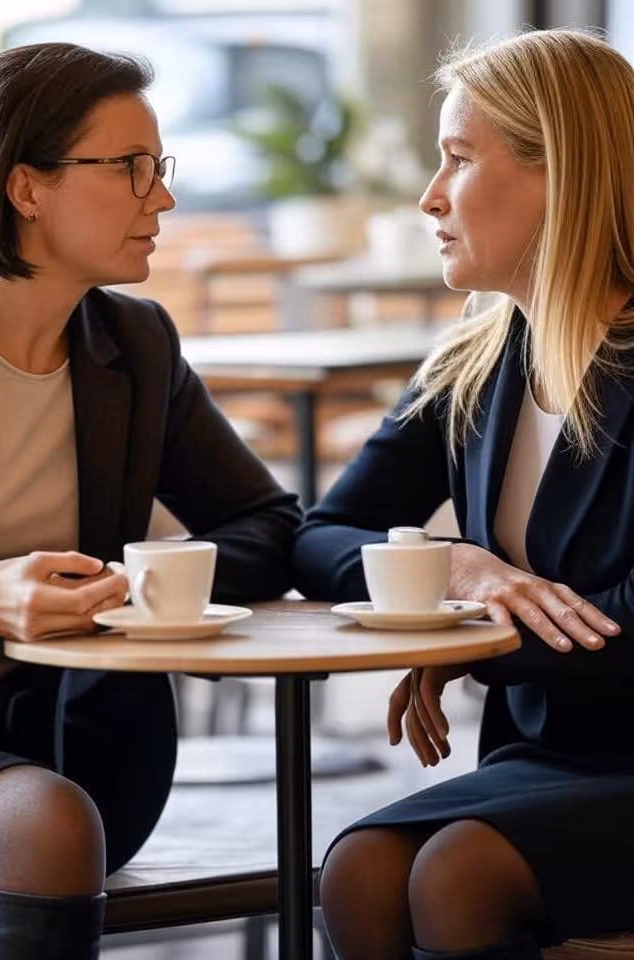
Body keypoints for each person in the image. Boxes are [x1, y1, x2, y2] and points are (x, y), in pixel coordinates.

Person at [0, 42, 301, 959]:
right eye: (129, 169)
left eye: (156, 169)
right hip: (8, 797)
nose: (159, 197)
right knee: (36, 835)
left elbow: (267, 525)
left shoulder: (134, 345)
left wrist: (126, 586)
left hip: (55, 759)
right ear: (26, 188)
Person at [292, 28, 634, 960]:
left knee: (456, 871)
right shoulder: (475, 365)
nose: (429, 197)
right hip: (542, 758)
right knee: (355, 867)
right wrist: (453, 570)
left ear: (560, 172)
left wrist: (479, 641)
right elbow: (320, 535)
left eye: (458, 158)